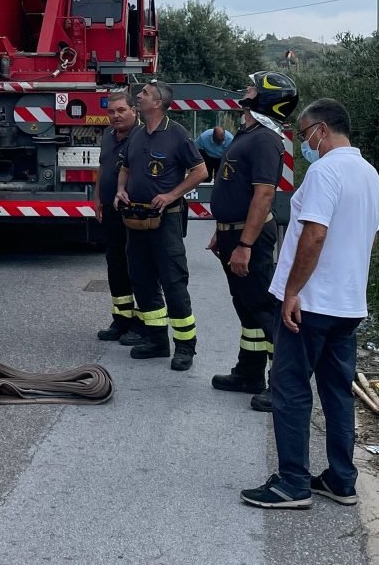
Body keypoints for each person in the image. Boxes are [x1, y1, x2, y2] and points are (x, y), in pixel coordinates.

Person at [241, 98, 379, 509]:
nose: (304, 143)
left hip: (311, 303)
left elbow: (315, 234)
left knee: (290, 390)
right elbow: (367, 239)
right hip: (347, 303)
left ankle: (292, 483)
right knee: (337, 392)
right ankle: (341, 479)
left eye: (304, 135)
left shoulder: (326, 171)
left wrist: (291, 291)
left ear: (322, 130)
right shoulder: (369, 175)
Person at [208, 72, 298, 412]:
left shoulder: (264, 140)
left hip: (251, 238)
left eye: (251, 88)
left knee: (264, 309)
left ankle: (283, 387)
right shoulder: (249, 133)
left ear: (264, 98)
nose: (245, 90)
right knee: (247, 308)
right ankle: (249, 373)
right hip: (235, 233)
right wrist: (224, 231)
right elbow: (236, 187)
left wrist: (245, 244)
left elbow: (263, 196)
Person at [115, 80, 208, 371]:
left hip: (165, 220)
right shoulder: (138, 135)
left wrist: (170, 195)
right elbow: (125, 167)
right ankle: (156, 340)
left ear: (158, 103)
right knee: (141, 279)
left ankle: (185, 347)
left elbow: (201, 171)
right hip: (136, 218)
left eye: (144, 94)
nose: (138, 96)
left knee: (173, 282)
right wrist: (121, 189)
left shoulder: (177, 134)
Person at [94, 90, 141, 342]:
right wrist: (97, 198)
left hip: (135, 212)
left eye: (121, 110)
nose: (116, 116)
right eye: (111, 112)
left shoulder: (144, 137)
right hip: (111, 211)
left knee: (138, 267)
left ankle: (142, 324)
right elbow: (103, 168)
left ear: (134, 110)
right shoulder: (108, 137)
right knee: (116, 265)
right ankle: (121, 320)